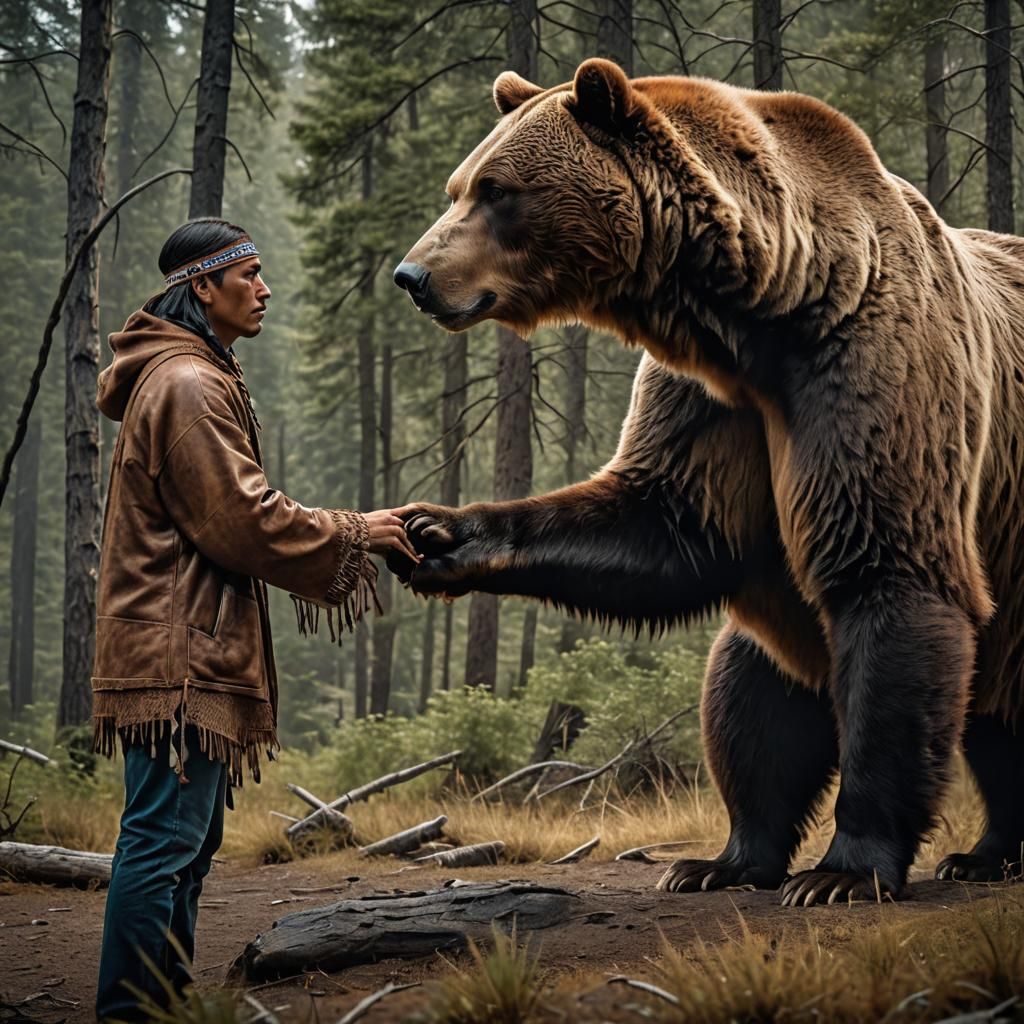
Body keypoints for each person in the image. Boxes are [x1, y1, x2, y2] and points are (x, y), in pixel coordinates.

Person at [92, 218, 418, 1020]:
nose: (264, 289)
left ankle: (160, 1004)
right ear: (204, 286)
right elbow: (242, 520)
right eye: (250, 274)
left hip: (180, 650)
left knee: (182, 845)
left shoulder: (190, 375)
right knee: (164, 842)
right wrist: (355, 530)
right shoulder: (190, 386)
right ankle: (132, 1011)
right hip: (177, 658)